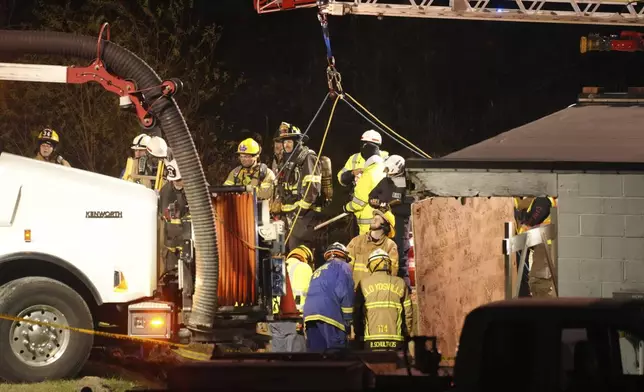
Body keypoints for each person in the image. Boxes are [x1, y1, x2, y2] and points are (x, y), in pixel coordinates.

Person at [272, 122, 322, 252]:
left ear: (297, 141)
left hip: (303, 216)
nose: (286, 145)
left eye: (289, 141)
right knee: (278, 249)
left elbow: (312, 187)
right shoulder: (285, 159)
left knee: (297, 251)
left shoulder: (307, 157)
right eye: (284, 142)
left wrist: (301, 210)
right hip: (286, 212)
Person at [368, 155, 413, 289]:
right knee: (381, 254)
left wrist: (392, 206)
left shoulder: (408, 184)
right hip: (384, 224)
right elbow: (372, 196)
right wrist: (375, 202)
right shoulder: (385, 182)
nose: (387, 173)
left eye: (389, 170)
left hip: (399, 224)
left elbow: (410, 206)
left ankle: (404, 289)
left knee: (400, 258)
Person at [354, 249, 413, 351]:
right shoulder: (400, 283)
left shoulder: (363, 283)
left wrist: (358, 333)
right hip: (396, 340)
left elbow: (357, 312)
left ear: (371, 265)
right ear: (388, 264)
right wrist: (407, 334)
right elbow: (408, 314)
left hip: (370, 340)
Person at [303, 242, 355, 352]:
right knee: (335, 353)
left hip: (309, 316)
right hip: (330, 316)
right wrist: (348, 321)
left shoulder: (318, 270)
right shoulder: (343, 267)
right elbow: (345, 294)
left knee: (316, 355)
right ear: (344, 256)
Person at [270, 245, 314, 353]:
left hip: (277, 316)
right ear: (305, 257)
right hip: (297, 315)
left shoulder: (279, 267)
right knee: (297, 351)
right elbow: (311, 292)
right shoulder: (305, 267)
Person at [514, 196, 558, 298]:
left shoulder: (543, 200)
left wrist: (518, 214)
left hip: (545, 246)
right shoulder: (548, 200)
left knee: (539, 282)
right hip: (544, 245)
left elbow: (531, 220)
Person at [346, 209, 398, 290]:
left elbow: (392, 273)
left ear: (385, 225)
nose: (373, 219)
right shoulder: (357, 241)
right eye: (374, 218)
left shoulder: (390, 246)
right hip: (357, 292)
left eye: (377, 219)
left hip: (376, 294)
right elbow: (346, 266)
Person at [343, 152, 388, 236]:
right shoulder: (382, 172)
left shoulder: (368, 175)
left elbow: (358, 203)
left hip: (367, 227)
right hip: (381, 223)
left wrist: (346, 207)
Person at [158, 159, 190, 276]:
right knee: (170, 277)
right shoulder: (165, 191)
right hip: (171, 244)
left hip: (191, 243)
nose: (176, 183)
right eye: (174, 180)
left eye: (179, 180)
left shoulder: (196, 189)